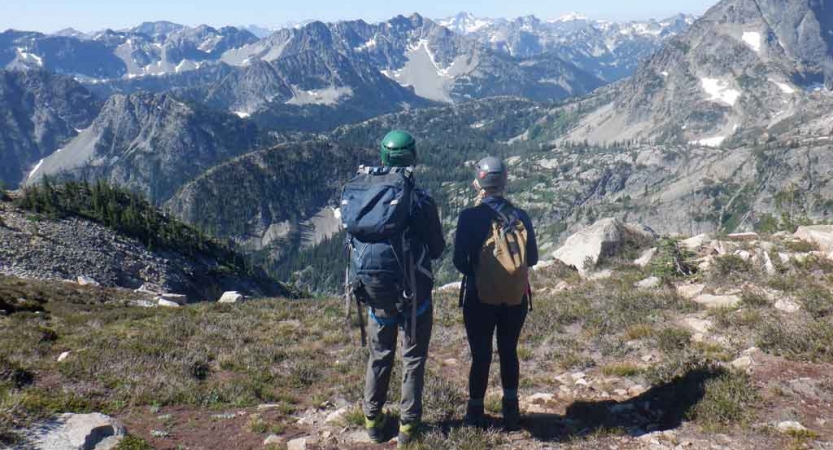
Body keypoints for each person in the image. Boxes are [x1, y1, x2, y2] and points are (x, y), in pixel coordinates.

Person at [345, 130, 445, 447]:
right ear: (413, 157)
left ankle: (373, 422)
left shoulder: (363, 196)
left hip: (374, 295)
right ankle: (407, 429)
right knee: (412, 359)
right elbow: (438, 248)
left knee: (380, 355)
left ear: (383, 156)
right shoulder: (419, 199)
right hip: (414, 294)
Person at [452, 156, 538, 431]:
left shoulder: (469, 217)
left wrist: (479, 271)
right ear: (504, 182)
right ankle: (511, 410)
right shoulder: (520, 215)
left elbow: (458, 261)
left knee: (481, 354)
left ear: (478, 182)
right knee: (509, 350)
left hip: (479, 297)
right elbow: (532, 259)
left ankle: (475, 411)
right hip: (515, 298)